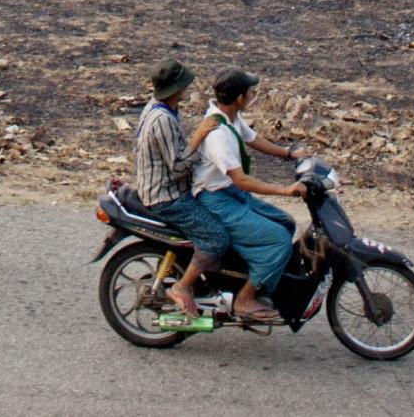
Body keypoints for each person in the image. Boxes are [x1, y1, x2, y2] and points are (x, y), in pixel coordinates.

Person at [187, 67, 308, 327]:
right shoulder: (218, 134)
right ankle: (245, 298)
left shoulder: (228, 117)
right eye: (250, 91)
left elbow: (253, 139)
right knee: (277, 240)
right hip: (217, 199)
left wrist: (288, 154)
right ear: (240, 98)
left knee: (286, 223)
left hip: (229, 193)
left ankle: (258, 277)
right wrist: (285, 190)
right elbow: (241, 180)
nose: (252, 94)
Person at [129, 59, 226, 326]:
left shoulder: (159, 108)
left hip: (164, 188)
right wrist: (200, 137)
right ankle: (182, 287)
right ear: (175, 89)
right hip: (167, 197)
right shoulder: (162, 119)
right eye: (183, 86)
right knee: (216, 237)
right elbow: (177, 167)